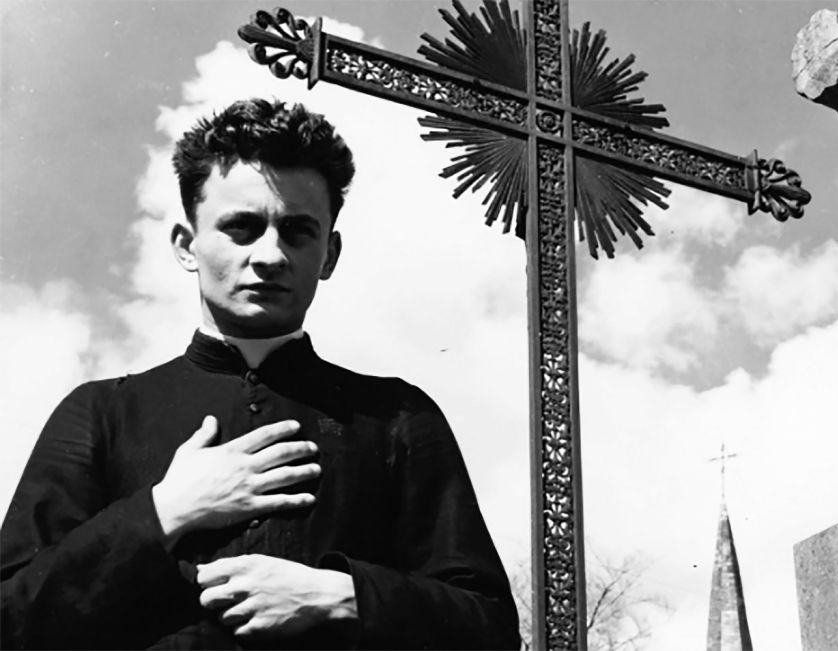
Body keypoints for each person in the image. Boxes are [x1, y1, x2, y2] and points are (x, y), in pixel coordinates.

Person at [0, 98, 521, 650]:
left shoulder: (396, 416)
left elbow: (488, 626)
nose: (270, 254)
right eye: (241, 228)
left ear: (329, 254)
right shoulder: (100, 413)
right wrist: (163, 513)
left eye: (298, 231)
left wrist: (341, 596)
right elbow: (11, 619)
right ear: (186, 245)